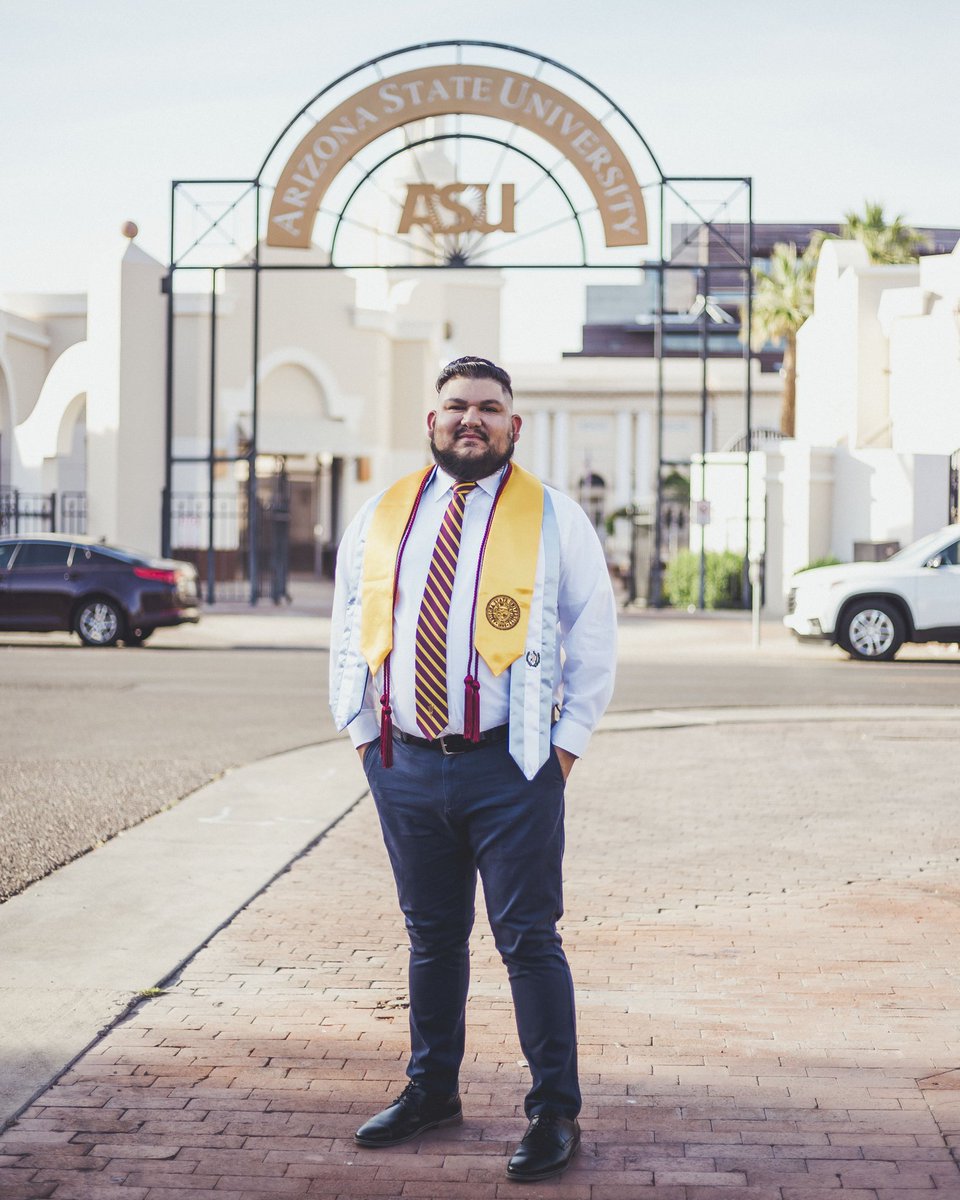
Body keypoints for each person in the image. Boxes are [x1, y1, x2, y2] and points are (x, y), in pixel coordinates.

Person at [329, 355, 617, 1182]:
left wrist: (562, 753)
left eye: (489, 408)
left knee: (528, 939)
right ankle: (432, 1091)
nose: (471, 419)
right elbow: (348, 620)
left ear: (512, 426)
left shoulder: (554, 518)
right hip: (405, 763)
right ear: (432, 421)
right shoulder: (383, 514)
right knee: (431, 937)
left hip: (512, 766)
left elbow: (594, 637)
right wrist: (362, 734)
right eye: (457, 406)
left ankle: (554, 1111)